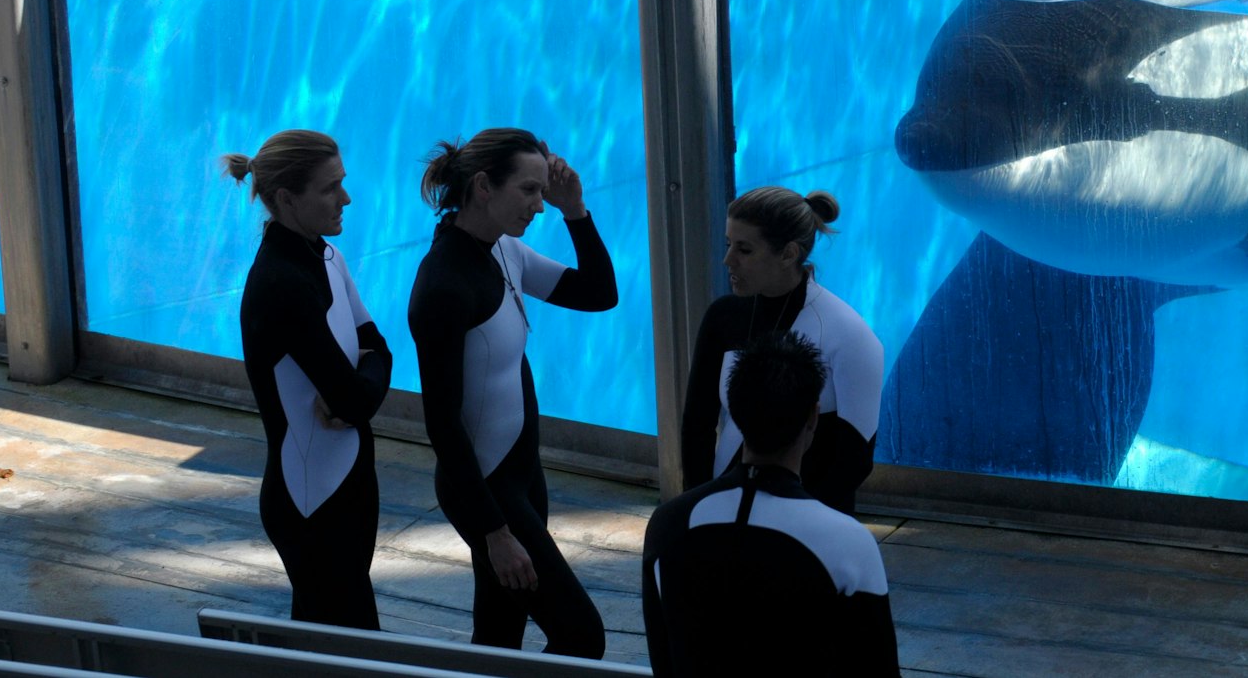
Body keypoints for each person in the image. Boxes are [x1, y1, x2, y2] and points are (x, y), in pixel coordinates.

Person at [406, 128, 617, 657]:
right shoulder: (444, 285)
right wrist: (495, 532)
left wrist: (577, 212)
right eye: (529, 191)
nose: (539, 206)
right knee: (580, 633)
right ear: (483, 186)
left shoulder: (505, 252)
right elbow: (442, 424)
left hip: (523, 476)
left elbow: (599, 294)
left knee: (498, 635)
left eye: (543, 192)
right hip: (486, 491)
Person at [645, 331, 900, 677]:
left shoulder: (667, 524)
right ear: (812, 417)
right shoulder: (849, 543)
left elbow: (664, 659)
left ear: (734, 410)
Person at [227, 129, 391, 630]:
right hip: (311, 503)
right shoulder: (281, 283)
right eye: (329, 188)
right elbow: (355, 397)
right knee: (351, 648)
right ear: (285, 198)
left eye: (342, 182)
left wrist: (364, 375)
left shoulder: (326, 256)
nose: (345, 198)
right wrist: (362, 379)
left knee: (340, 647)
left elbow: (377, 347)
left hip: (349, 486)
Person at [681, 187, 884, 514]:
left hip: (812, 523)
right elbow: (697, 425)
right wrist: (699, 507)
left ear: (789, 253)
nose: (727, 260)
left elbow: (854, 461)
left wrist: (791, 524)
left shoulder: (849, 334)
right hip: (725, 512)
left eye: (744, 250)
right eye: (728, 244)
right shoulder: (722, 316)